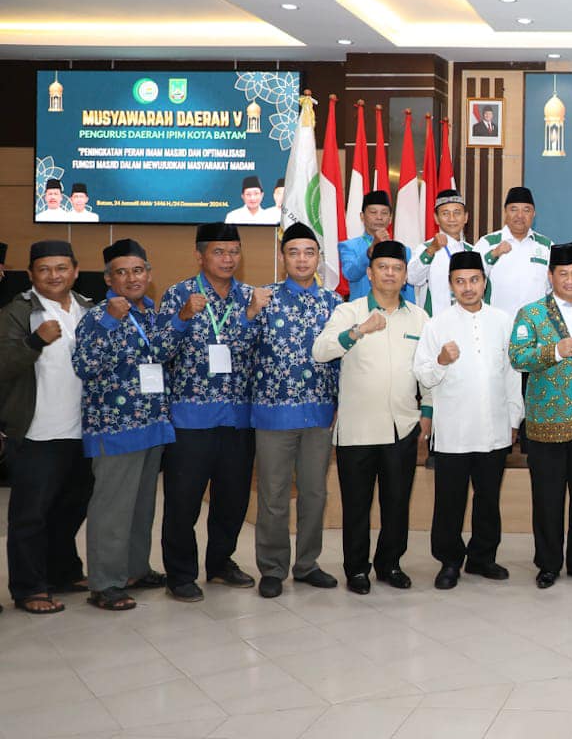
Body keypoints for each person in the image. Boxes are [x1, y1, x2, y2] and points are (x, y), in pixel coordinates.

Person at [313, 239, 431, 594]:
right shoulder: (349, 312)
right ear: (370, 273)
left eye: (397, 268)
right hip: (358, 429)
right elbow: (321, 351)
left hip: (402, 426)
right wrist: (358, 331)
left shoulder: (419, 317)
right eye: (383, 267)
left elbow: (426, 369)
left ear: (406, 275)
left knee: (397, 503)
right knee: (357, 505)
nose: (390, 274)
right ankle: (356, 570)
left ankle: (390, 564)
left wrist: (427, 411)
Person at [72, 239, 177, 610]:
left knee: (142, 507)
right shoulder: (97, 316)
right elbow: (84, 366)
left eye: (138, 270)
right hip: (115, 427)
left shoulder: (150, 312)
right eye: (122, 272)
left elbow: (162, 354)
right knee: (112, 508)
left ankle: (135, 569)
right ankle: (105, 583)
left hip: (151, 422)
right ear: (108, 279)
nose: (132, 278)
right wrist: (109, 323)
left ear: (148, 274)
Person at [242, 223, 342, 598]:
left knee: (315, 494)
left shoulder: (334, 303)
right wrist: (250, 313)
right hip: (274, 415)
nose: (302, 259)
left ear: (318, 258)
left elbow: (343, 357)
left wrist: (341, 403)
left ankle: (307, 564)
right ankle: (272, 568)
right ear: (282, 257)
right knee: (273, 495)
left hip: (319, 414)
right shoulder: (263, 298)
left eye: (309, 252)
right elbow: (241, 348)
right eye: (294, 252)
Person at [158, 223, 257, 602]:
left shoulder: (249, 296)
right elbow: (159, 351)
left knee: (232, 500)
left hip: (237, 417)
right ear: (200, 256)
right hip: (191, 420)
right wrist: (182, 317)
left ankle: (220, 563)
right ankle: (180, 574)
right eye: (219, 251)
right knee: (183, 502)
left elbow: (260, 352)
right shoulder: (178, 294)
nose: (228, 258)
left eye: (234, 251)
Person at [414, 251, 524, 589]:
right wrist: (441, 360)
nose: (468, 287)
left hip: (494, 426)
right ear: (450, 285)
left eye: (474, 280)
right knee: (450, 501)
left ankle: (482, 558)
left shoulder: (502, 321)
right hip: (454, 431)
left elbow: (511, 374)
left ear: (484, 282)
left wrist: (514, 418)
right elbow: (422, 375)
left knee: (488, 498)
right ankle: (449, 561)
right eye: (460, 281)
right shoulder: (436, 324)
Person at [508, 243, 572, 588]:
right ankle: (549, 564)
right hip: (547, 422)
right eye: (563, 273)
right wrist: (553, 351)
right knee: (548, 498)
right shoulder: (531, 313)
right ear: (550, 275)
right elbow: (518, 357)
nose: (570, 279)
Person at [0, 240, 94, 613]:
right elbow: (3, 365)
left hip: (84, 430)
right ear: (30, 274)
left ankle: (63, 572)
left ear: (75, 270)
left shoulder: (89, 309)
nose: (54, 275)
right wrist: (33, 341)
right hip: (37, 431)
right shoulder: (17, 312)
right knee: (30, 515)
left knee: (71, 507)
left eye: (61, 268)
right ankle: (28, 587)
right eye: (44, 269)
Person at [481, 186, 553, 317]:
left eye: (526, 210)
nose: (520, 215)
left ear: (534, 214)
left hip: (536, 323)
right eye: (514, 209)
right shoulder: (487, 243)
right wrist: (493, 254)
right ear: (505, 212)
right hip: (497, 323)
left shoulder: (547, 246)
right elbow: (473, 278)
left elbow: (556, 286)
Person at [408, 189, 477, 316]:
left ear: (466, 217)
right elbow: (412, 278)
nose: (452, 218)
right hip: (435, 322)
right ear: (436, 218)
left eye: (457, 213)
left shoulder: (473, 251)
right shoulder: (426, 248)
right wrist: (431, 251)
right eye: (445, 213)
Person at [340, 191, 414, 303]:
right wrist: (371, 250)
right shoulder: (349, 246)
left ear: (390, 218)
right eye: (373, 212)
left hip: (394, 310)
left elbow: (408, 289)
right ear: (362, 216)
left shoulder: (404, 250)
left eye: (384, 213)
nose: (379, 217)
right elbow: (350, 274)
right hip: (361, 310)